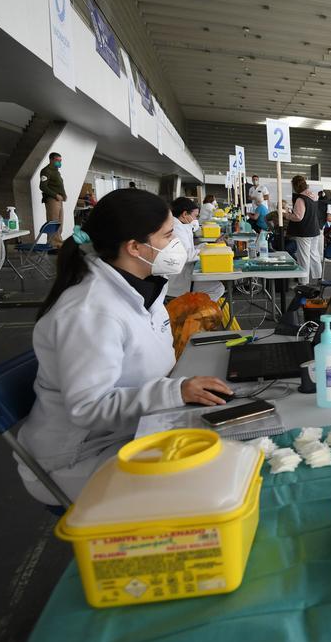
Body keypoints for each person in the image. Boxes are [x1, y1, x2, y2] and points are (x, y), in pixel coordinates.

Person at [15, 190, 232, 504]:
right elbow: (88, 408)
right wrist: (176, 392)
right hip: (78, 457)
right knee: (211, 482)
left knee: (230, 443)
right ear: (134, 247)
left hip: (132, 431)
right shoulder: (90, 313)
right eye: (168, 236)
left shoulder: (144, 285)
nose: (178, 245)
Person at [166, 197, 223, 301]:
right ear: (184, 214)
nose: (196, 220)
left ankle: (199, 311)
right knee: (217, 288)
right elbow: (186, 255)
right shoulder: (177, 229)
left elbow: (189, 250)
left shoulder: (181, 225)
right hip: (179, 279)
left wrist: (210, 246)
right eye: (195, 216)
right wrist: (208, 250)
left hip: (183, 274)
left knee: (216, 286)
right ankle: (199, 314)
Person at [280, 175, 324, 283]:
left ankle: (303, 282)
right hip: (315, 229)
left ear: (295, 186)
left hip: (304, 231)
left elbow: (298, 217)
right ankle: (319, 278)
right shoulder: (313, 196)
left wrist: (286, 215)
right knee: (314, 254)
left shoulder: (300, 199)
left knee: (303, 257)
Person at [39, 152, 66, 248]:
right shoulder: (46, 171)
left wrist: (63, 196)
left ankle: (57, 243)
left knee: (60, 222)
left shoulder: (56, 171)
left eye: (60, 160)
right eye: (57, 160)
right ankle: (54, 244)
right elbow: (42, 186)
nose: (59, 162)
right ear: (51, 160)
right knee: (53, 222)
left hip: (59, 200)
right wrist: (55, 195)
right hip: (52, 200)